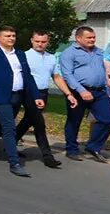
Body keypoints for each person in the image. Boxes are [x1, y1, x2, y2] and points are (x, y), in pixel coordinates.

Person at [0, 26, 45, 177]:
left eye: (13, 35)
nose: (11, 38)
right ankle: (14, 163)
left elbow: (28, 76)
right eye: (7, 36)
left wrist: (36, 96)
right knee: (9, 127)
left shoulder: (20, 54)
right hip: (0, 96)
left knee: (1, 126)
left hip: (17, 95)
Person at [13, 31, 69, 169]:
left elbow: (56, 77)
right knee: (39, 123)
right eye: (37, 41)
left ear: (47, 42)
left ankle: (10, 142)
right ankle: (47, 156)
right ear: (32, 40)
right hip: (28, 92)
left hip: (43, 93)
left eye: (43, 41)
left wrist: (68, 94)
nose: (40, 44)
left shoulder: (51, 58)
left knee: (28, 121)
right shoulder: (24, 56)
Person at [59, 26, 110, 163]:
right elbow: (67, 74)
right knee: (74, 121)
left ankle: (93, 146)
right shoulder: (69, 53)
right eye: (89, 37)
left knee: (107, 119)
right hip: (78, 92)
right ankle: (72, 149)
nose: (92, 40)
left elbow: (101, 71)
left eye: (93, 37)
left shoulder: (98, 51)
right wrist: (81, 90)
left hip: (99, 92)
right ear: (78, 38)